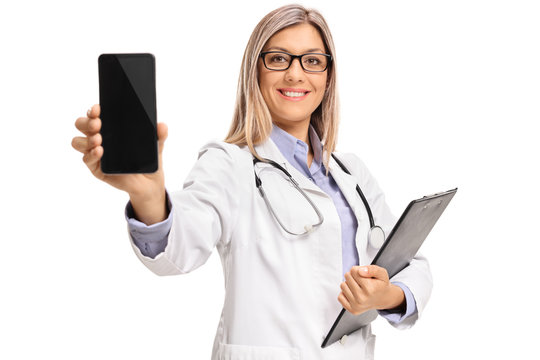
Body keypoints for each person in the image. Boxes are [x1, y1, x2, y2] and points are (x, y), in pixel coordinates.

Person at [72, 4, 432, 359]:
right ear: (255, 72)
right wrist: (149, 198)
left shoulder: (351, 172)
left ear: (327, 76)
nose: (295, 74)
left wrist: (387, 296)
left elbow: (409, 262)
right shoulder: (229, 164)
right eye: (278, 59)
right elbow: (180, 247)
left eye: (312, 60)